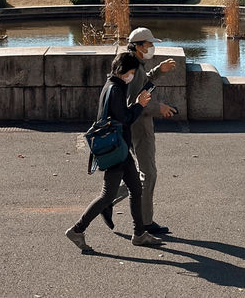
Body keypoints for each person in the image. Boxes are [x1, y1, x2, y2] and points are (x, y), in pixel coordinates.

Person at [65, 52, 164, 253]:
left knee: (136, 189)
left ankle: (139, 234)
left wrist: (136, 102)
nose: (132, 75)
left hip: (117, 147)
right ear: (122, 71)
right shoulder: (116, 89)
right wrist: (139, 105)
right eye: (131, 72)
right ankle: (77, 229)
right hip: (116, 149)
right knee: (107, 195)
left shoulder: (111, 86)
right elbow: (126, 118)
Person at [123, 27, 177, 235]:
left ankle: (107, 199)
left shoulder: (134, 64)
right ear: (138, 46)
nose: (152, 48)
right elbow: (133, 101)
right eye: (149, 44)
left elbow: (144, 86)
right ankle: (145, 223)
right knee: (149, 174)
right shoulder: (134, 67)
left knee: (143, 174)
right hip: (140, 124)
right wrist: (158, 108)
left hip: (139, 123)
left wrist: (158, 72)